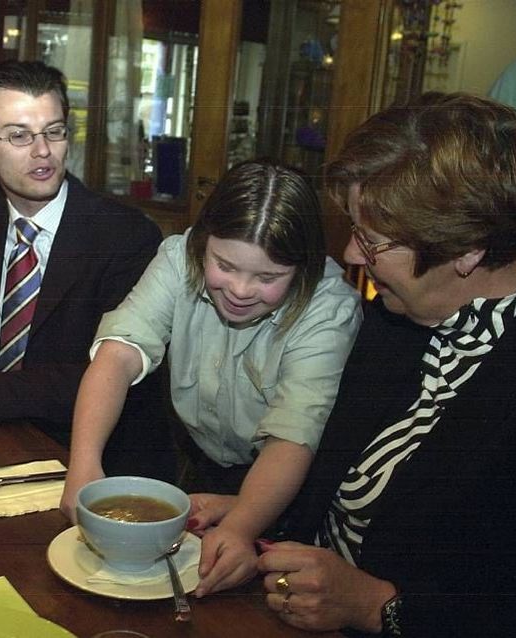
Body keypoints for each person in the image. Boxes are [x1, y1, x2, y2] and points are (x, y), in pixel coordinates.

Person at [210, 93, 516, 636]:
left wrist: (377, 605)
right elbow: (348, 488)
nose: (354, 256)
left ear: (468, 250)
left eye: (373, 241)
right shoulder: (395, 315)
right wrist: (251, 510)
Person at [60, 160, 363, 598]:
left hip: (290, 488)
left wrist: (241, 527)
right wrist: (84, 463)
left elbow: (292, 438)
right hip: (199, 468)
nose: (240, 290)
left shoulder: (328, 307)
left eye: (268, 277)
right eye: (224, 265)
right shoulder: (178, 258)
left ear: (302, 267)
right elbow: (118, 355)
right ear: (203, 243)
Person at [0, 60, 175, 481]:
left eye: (54, 132)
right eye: (19, 136)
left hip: (92, 467)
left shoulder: (125, 236)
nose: (42, 151)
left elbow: (101, 376)